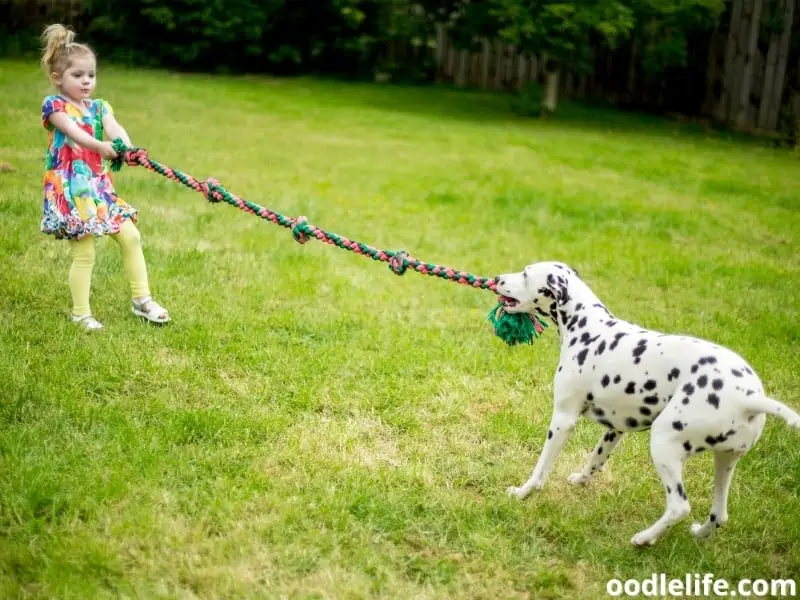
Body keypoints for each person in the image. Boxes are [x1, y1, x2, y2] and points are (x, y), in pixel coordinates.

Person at [39, 24, 169, 330]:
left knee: (131, 236)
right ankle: (81, 314)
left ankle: (142, 300)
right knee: (85, 252)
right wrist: (102, 147)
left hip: (100, 189)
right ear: (58, 78)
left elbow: (115, 129)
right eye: (78, 75)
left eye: (91, 75)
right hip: (72, 191)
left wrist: (127, 147)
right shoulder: (55, 106)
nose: (86, 81)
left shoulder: (99, 107)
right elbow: (74, 134)